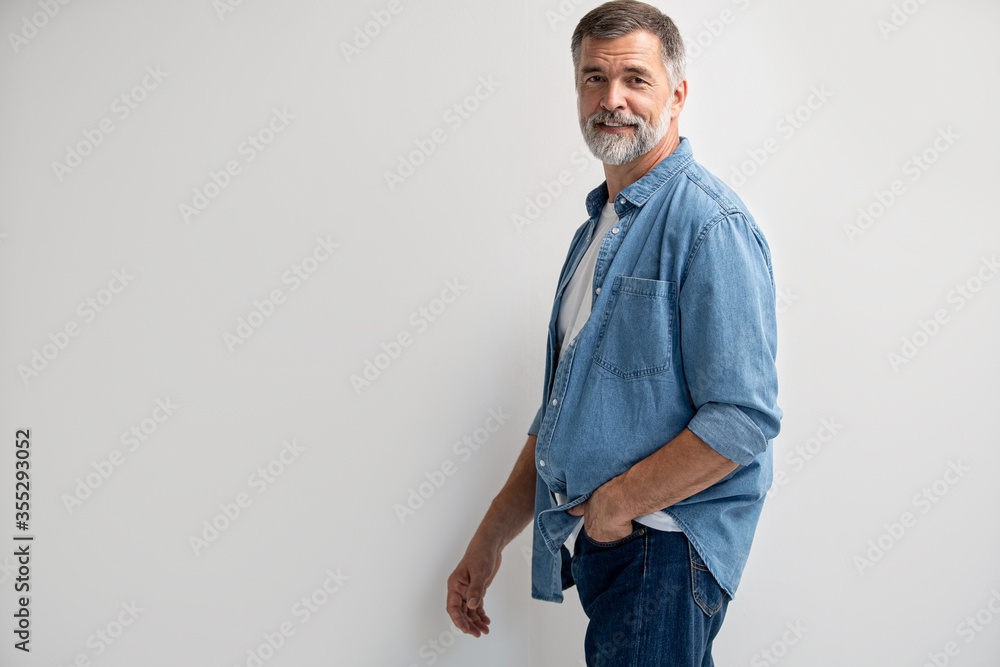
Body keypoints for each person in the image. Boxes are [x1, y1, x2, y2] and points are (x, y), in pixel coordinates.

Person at [446, 1, 782, 664]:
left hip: (661, 548)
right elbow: (564, 414)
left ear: (677, 94)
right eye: (594, 79)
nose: (613, 98)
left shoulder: (710, 226)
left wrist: (616, 503)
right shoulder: (594, 233)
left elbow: (743, 418)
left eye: (635, 78)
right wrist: (490, 539)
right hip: (617, 554)